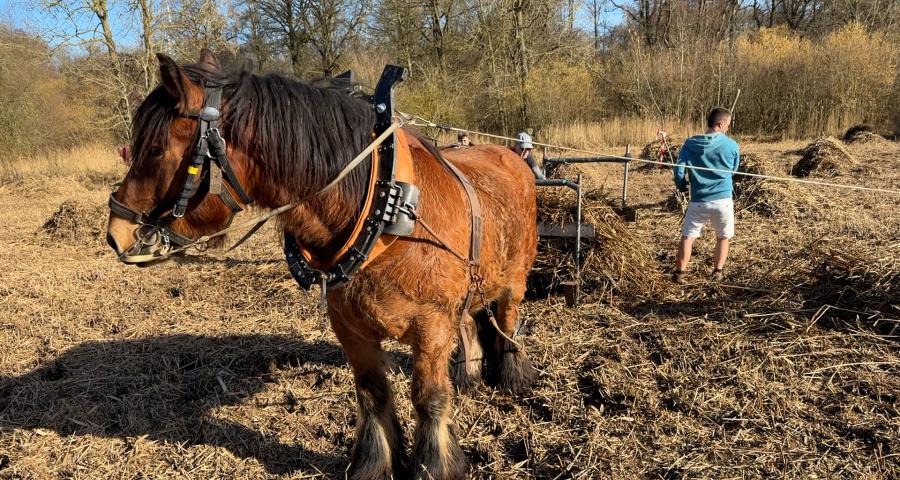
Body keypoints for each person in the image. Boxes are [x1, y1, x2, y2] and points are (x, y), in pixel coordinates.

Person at [672, 107, 740, 284]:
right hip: (723, 200)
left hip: (699, 200)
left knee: (688, 236)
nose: (728, 128)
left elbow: (678, 171)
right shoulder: (732, 145)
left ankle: (679, 273)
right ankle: (718, 271)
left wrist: (682, 185)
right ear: (721, 124)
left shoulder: (690, 143)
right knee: (723, 237)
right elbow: (734, 170)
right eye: (728, 125)